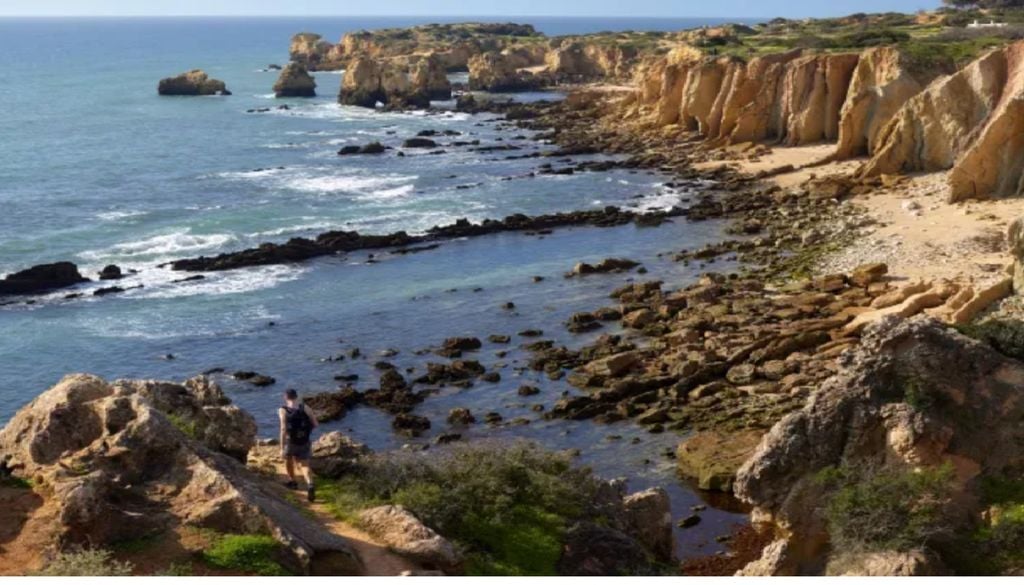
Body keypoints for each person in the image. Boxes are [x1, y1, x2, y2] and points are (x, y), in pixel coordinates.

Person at [279, 389, 319, 502]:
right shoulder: (305, 407)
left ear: (285, 397)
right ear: (296, 397)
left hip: (291, 441)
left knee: (288, 460)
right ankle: (310, 484)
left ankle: (292, 481)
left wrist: (281, 447)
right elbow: (316, 424)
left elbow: (283, 428)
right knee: (305, 465)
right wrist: (305, 432)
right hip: (304, 441)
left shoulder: (283, 410)